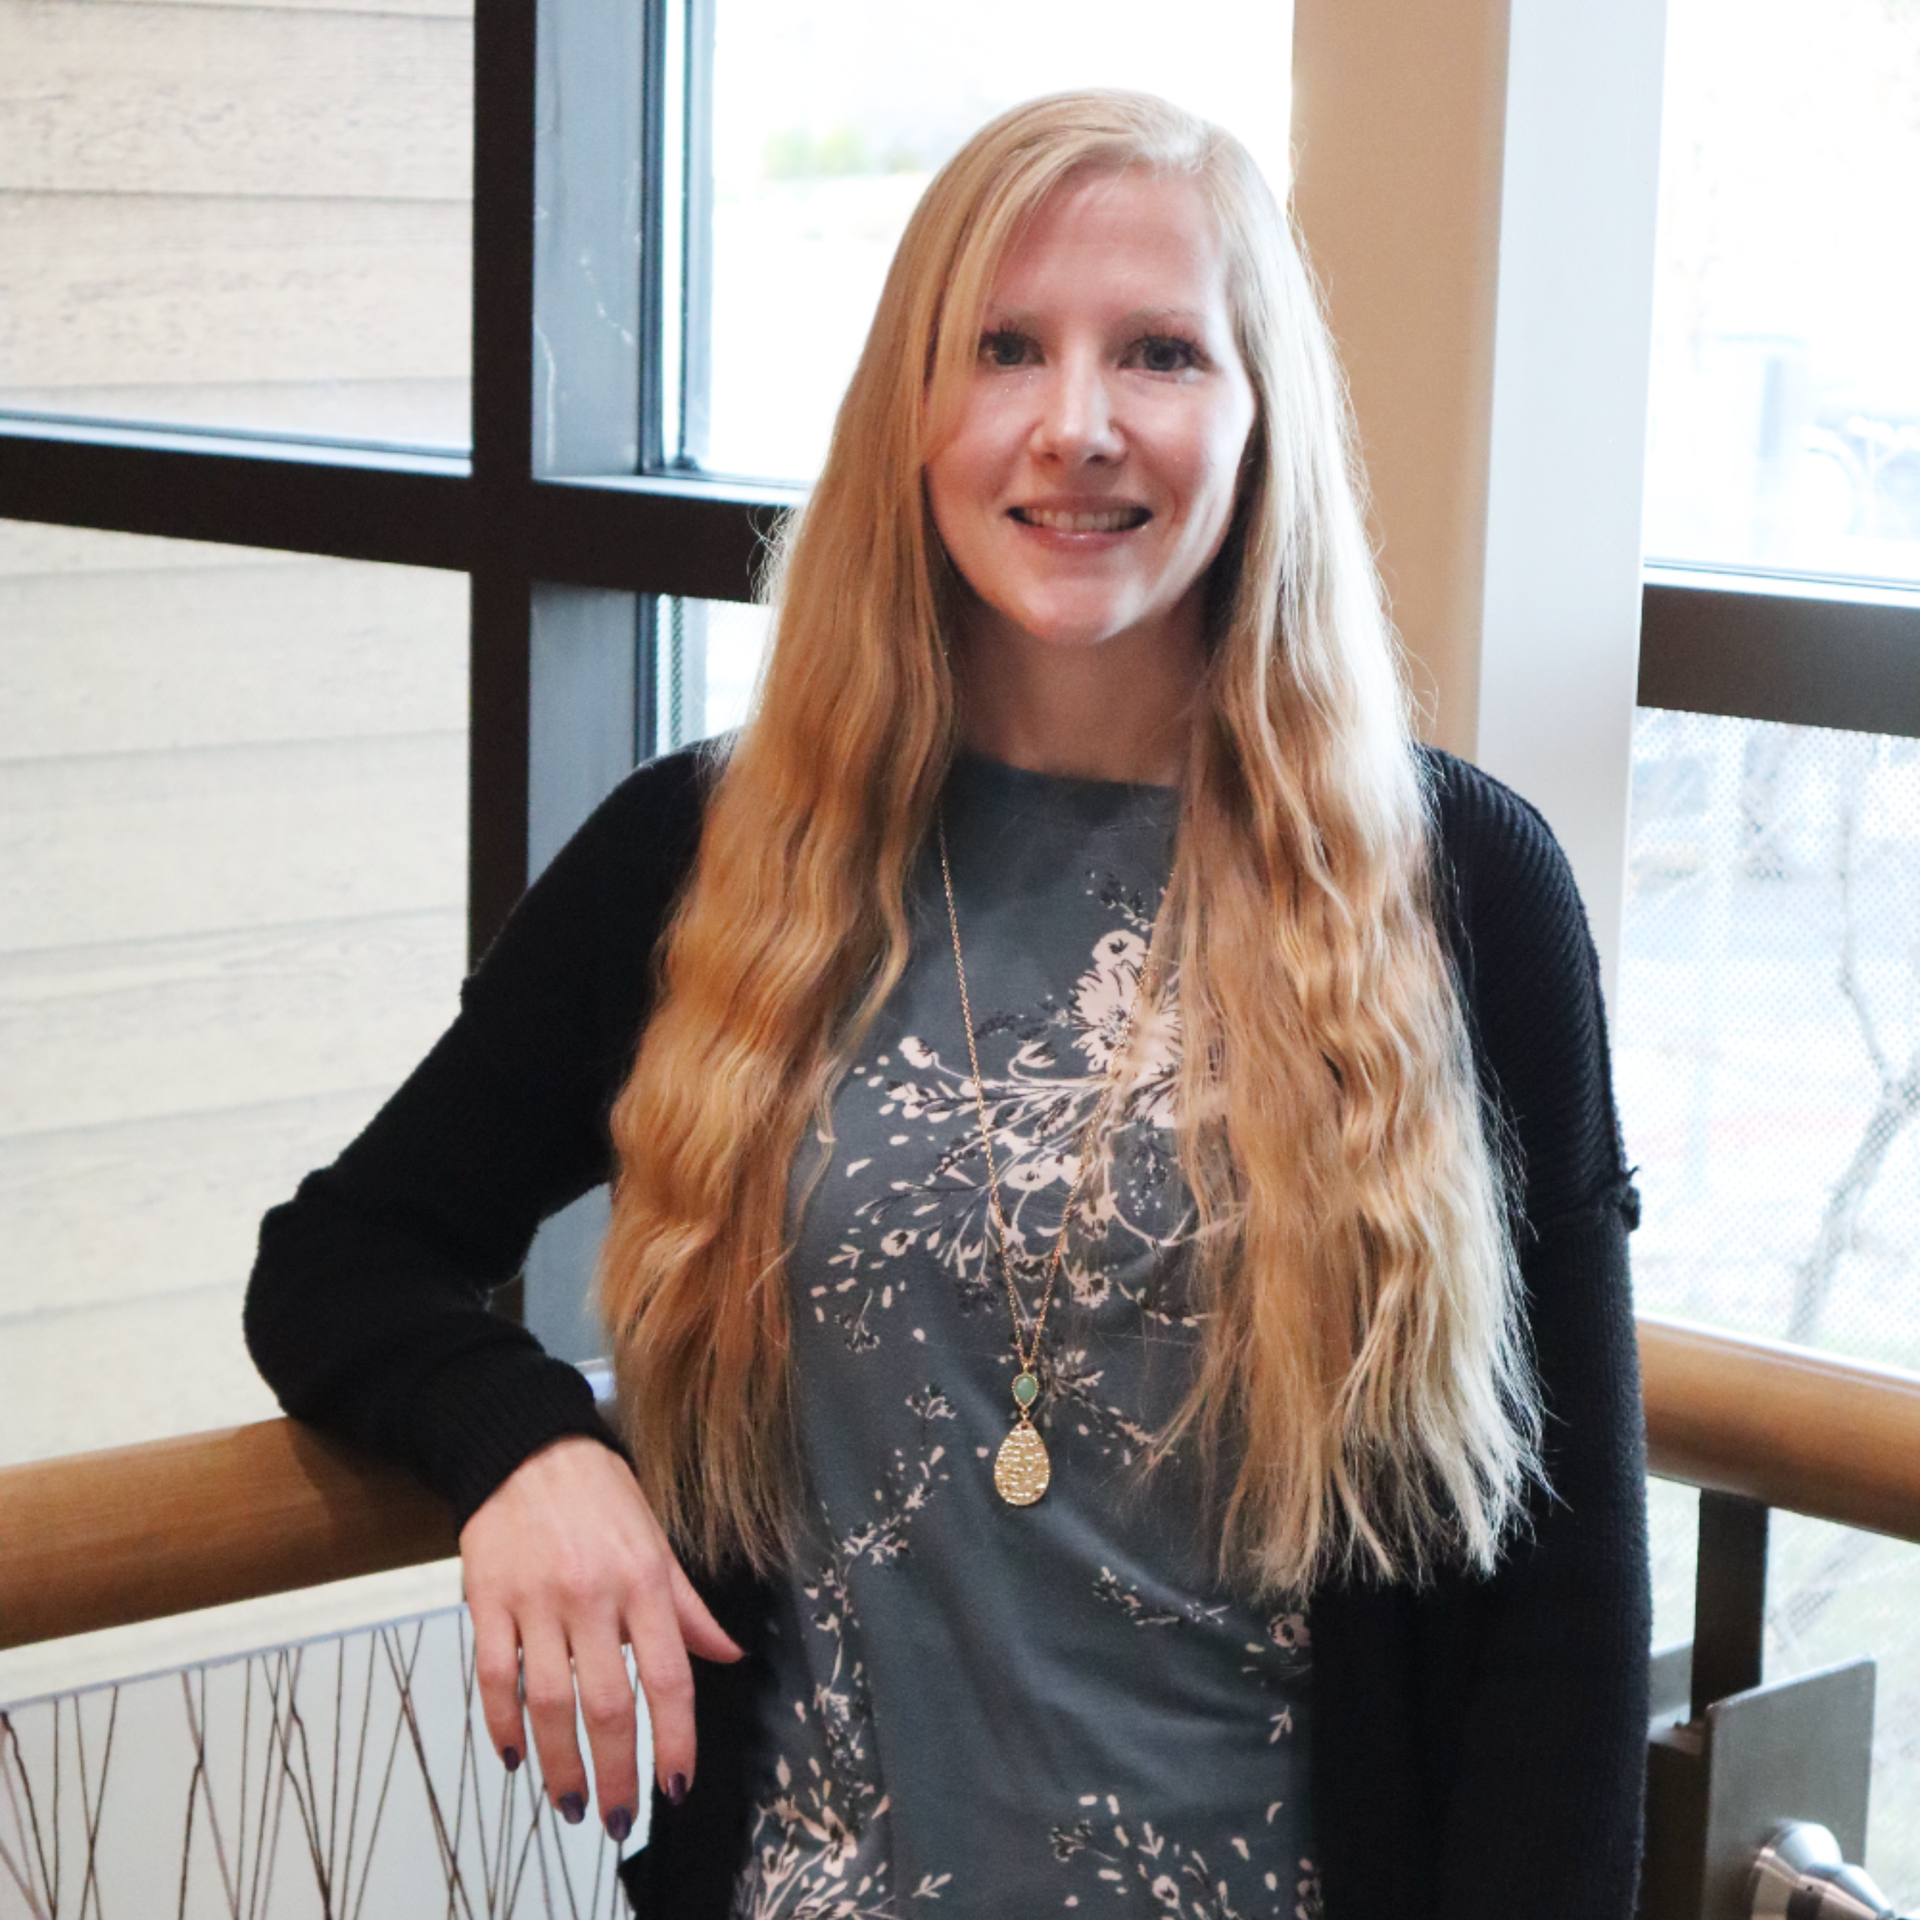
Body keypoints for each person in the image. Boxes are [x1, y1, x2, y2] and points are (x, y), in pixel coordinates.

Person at [245, 90, 1650, 1920]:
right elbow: (341, 1256)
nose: (1077, 425)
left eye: (1158, 351)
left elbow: (1564, 1623)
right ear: (913, 418)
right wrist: (525, 1446)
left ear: (1257, 418)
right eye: (1005, 349)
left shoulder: (1463, 891)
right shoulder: (710, 852)